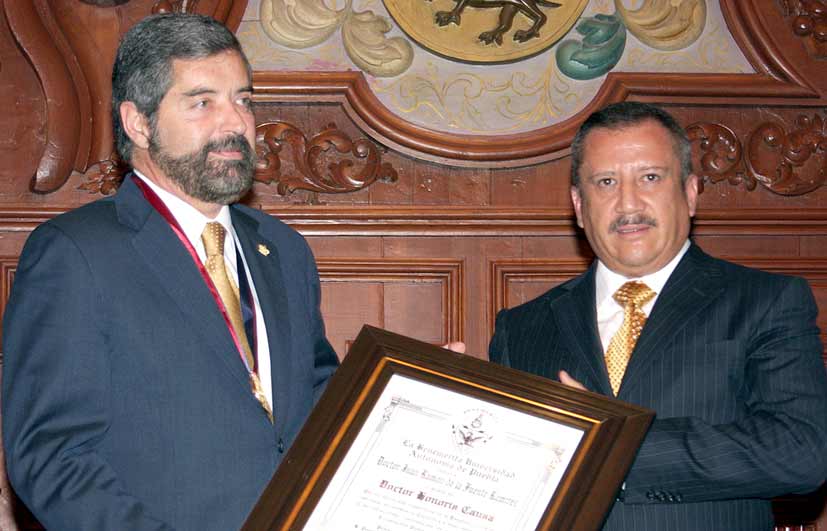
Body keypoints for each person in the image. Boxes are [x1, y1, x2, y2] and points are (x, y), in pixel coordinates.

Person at [2, 14, 339, 530]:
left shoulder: (285, 251)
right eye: (203, 102)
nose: (235, 124)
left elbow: (316, 400)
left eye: (243, 100)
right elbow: (53, 458)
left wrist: (409, 397)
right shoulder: (76, 253)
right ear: (139, 122)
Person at [489, 101, 827, 530]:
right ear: (578, 204)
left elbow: (802, 452)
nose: (628, 203)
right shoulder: (522, 328)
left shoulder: (766, 302)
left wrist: (611, 444)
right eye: (606, 181)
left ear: (689, 192)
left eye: (650, 177)